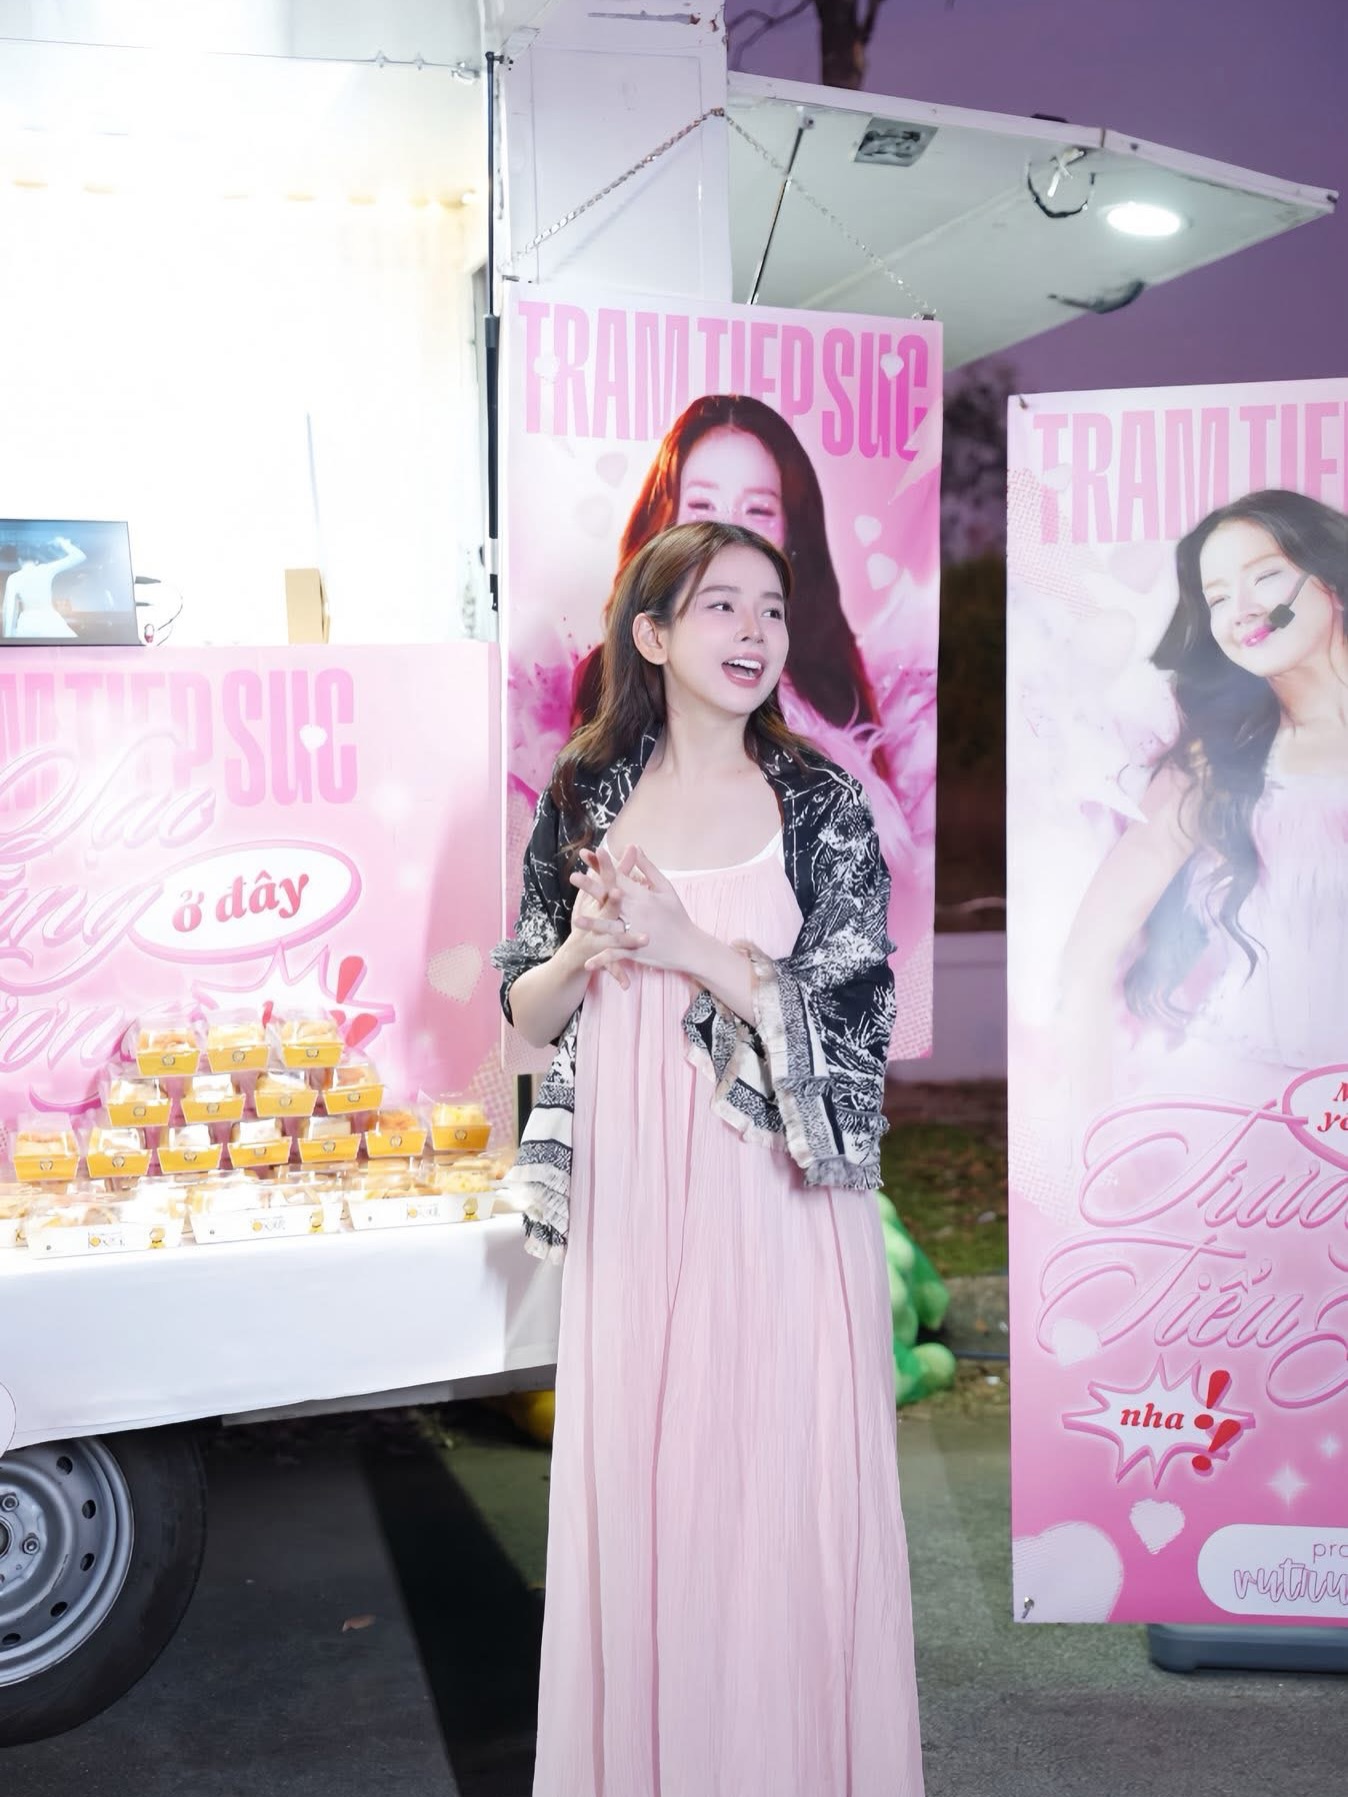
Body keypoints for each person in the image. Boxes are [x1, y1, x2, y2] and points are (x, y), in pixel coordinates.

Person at [494, 519, 924, 1797]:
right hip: (633, 1194)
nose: (755, 632)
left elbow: (857, 1023)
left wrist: (683, 943)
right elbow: (525, 1010)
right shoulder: (584, 794)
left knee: (781, 1488)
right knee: (648, 1492)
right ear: (652, 634)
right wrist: (585, 949)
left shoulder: (819, 804)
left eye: (772, 610)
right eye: (722, 606)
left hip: (776, 1193)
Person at [1059, 488, 1348, 1111]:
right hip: (1249, 1110)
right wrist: (1087, 1125)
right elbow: (1089, 954)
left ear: (1332, 577)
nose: (1241, 611)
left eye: (1264, 576)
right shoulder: (1214, 763)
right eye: (1216, 599)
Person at [570, 393, 895, 788]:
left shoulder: (836, 703)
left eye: (758, 510)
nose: (728, 533)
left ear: (792, 531)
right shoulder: (609, 693)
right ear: (667, 522)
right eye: (703, 506)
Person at [1, 536, 86, 639]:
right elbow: (79, 557)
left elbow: (9, 610)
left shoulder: (14, 578)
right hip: (49, 620)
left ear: (19, 560)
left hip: (27, 623)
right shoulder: (46, 570)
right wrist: (62, 542)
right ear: (37, 561)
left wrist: (8, 636)